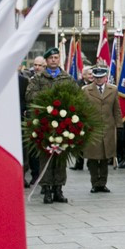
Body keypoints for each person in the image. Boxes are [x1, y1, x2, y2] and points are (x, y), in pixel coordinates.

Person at [26, 47, 77, 204]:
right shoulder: (38, 78)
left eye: (56, 57)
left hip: (63, 124)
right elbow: (29, 95)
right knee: (45, 157)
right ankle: (47, 189)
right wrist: (48, 98)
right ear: (46, 61)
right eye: (51, 58)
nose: (54, 60)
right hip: (45, 124)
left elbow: (76, 96)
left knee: (60, 157)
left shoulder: (67, 78)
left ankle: (58, 189)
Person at [81, 66, 122, 193]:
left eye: (101, 78)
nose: (99, 80)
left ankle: (102, 183)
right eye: (96, 78)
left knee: (105, 158)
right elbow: (82, 109)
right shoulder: (86, 90)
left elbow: (117, 109)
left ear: (106, 77)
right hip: (92, 129)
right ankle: (94, 183)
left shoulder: (113, 89)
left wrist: (119, 125)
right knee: (93, 158)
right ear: (93, 77)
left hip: (108, 129)